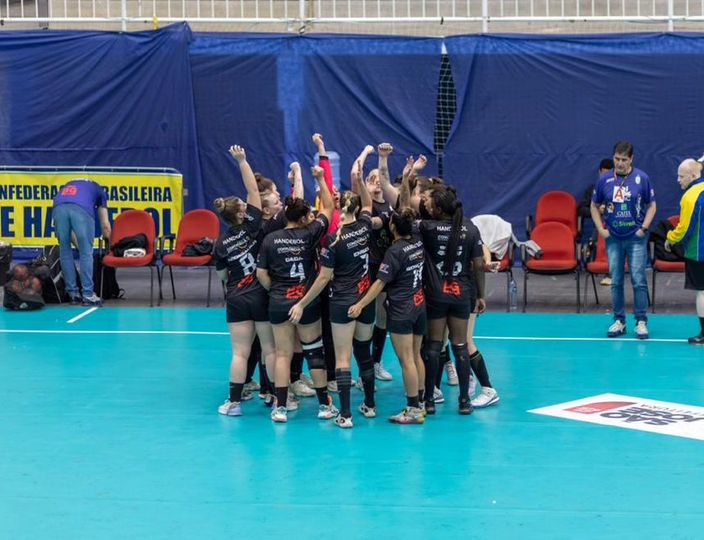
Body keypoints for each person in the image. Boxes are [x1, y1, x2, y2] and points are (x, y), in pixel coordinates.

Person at [288, 159, 380, 428]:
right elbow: (368, 205)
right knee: (364, 353)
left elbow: (324, 277)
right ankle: (371, 405)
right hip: (365, 301)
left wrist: (303, 302)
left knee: (342, 359)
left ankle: (347, 414)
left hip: (342, 301)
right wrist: (360, 180)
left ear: (340, 209)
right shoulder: (364, 227)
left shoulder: (333, 240)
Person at [256, 166, 338, 423]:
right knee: (314, 351)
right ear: (303, 219)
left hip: (279, 302)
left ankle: (280, 407)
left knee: (282, 354)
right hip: (306, 302)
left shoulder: (270, 238)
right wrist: (320, 178)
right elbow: (328, 208)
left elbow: (261, 274)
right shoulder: (310, 233)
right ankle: (325, 405)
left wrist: (277, 291)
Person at [349, 159, 427, 425]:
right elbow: (405, 205)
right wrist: (407, 177)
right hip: (419, 305)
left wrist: (360, 305)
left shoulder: (393, 253)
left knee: (406, 361)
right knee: (416, 357)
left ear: (393, 228)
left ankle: (413, 408)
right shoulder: (417, 239)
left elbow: (379, 284)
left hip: (403, 309)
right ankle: (423, 400)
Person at [214, 145, 276, 417]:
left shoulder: (221, 242)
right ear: (242, 213)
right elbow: (253, 190)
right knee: (270, 351)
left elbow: (222, 276)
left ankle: (234, 403)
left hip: (237, 298)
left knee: (240, 353)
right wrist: (242, 161)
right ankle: (276, 398)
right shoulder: (253, 226)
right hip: (260, 294)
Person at [418, 183, 486, 415]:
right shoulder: (470, 228)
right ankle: (465, 400)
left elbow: (403, 213)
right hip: (462, 295)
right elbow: (478, 265)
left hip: (436, 295)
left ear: (437, 209)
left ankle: (428, 399)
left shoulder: (428, 228)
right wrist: (481, 295)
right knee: (461, 346)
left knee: (434, 346)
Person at [591, 141, 656, 339]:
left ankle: (641, 321)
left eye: (624, 160)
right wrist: (601, 230)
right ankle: (619, 321)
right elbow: (595, 206)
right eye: (617, 159)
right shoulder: (604, 180)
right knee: (616, 281)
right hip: (613, 239)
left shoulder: (641, 178)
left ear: (631, 159)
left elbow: (652, 205)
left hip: (635, 238)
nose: (619, 163)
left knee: (638, 280)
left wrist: (643, 228)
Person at [52, 178, 111, 306]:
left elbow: (70, 235)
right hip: (81, 209)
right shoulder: (100, 191)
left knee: (65, 251)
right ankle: (88, 294)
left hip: (58, 206)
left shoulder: (67, 185)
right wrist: (110, 246)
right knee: (86, 253)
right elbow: (105, 226)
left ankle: (73, 294)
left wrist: (79, 245)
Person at [665, 158, 704, 344]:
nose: (678, 180)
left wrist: (670, 238)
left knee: (703, 292)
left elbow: (684, 228)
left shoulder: (691, 196)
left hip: (699, 253)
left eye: (682, 176)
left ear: (694, 175)